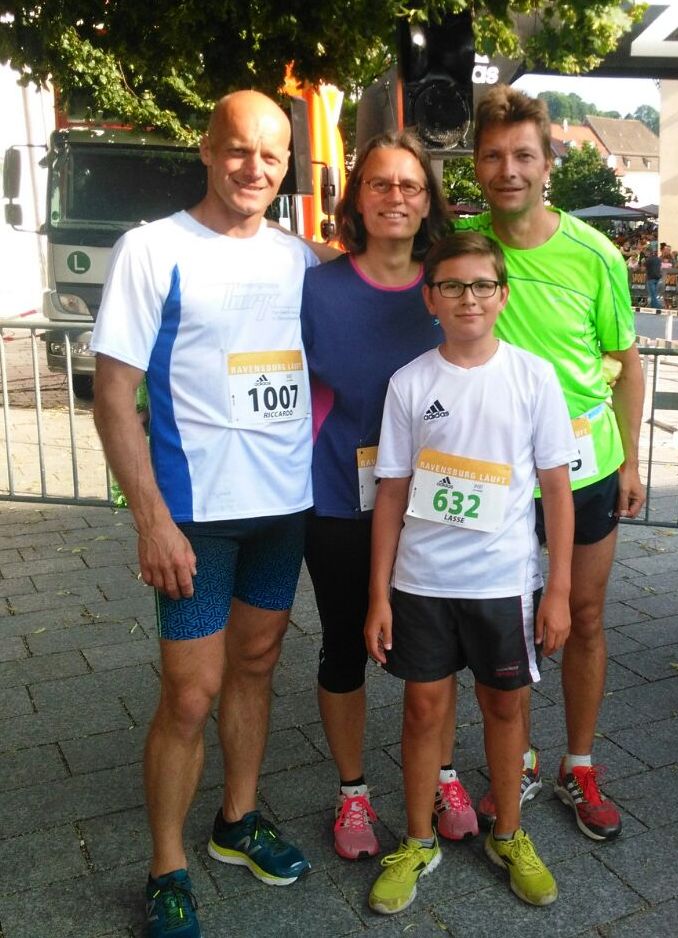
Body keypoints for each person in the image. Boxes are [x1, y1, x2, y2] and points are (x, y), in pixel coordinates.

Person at [92, 90, 321, 938]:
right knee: (189, 696)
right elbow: (113, 395)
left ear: (288, 166)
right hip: (195, 516)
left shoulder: (302, 260)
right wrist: (149, 518)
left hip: (282, 509)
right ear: (205, 148)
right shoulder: (153, 249)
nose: (253, 168)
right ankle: (166, 865)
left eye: (271, 155)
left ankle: (237, 821)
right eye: (237, 149)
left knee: (257, 663)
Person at [364, 232, 577, 913]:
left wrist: (560, 590)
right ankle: (418, 840)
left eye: (482, 285)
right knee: (423, 709)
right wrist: (378, 595)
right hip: (422, 581)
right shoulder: (410, 382)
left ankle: (508, 834)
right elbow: (391, 492)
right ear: (430, 298)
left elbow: (557, 491)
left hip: (504, 583)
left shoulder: (533, 377)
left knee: (506, 706)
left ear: (503, 295)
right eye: (452, 286)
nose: (469, 298)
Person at [456, 85, 645, 842]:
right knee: (506, 625)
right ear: (476, 165)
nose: (508, 170)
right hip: (496, 477)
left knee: (583, 618)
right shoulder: (463, 247)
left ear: (546, 165)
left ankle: (579, 762)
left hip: (588, 468)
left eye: (523, 156)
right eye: (493, 156)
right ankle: (520, 762)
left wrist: (631, 463)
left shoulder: (595, 254)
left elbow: (627, 364)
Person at [301, 131, 480, 861]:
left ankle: (442, 776)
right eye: (380, 183)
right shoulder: (318, 288)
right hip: (341, 498)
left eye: (411, 185)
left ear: (429, 201)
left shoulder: (448, 288)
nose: (396, 197)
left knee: (438, 653)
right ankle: (353, 793)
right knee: (345, 645)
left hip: (436, 504)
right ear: (358, 196)